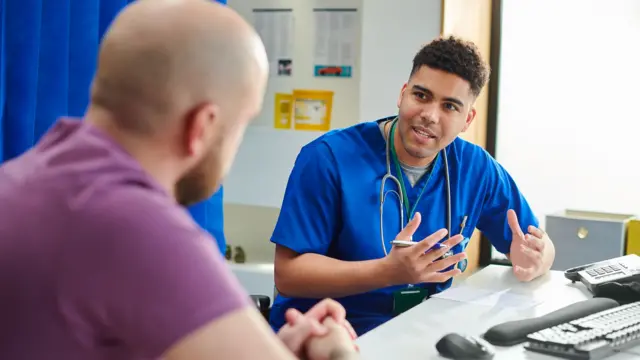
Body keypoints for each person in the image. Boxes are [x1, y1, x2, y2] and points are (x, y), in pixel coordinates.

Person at [0, 0, 360, 359]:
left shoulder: (20, 180)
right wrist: (335, 353)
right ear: (202, 126)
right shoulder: (140, 230)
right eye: (240, 124)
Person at [269, 36, 557, 336]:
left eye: (449, 106)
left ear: (467, 118)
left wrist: (537, 259)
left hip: (417, 335)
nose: (430, 115)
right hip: (323, 338)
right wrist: (386, 272)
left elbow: (538, 244)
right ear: (403, 94)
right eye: (421, 96)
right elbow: (289, 275)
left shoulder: (475, 168)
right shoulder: (328, 158)